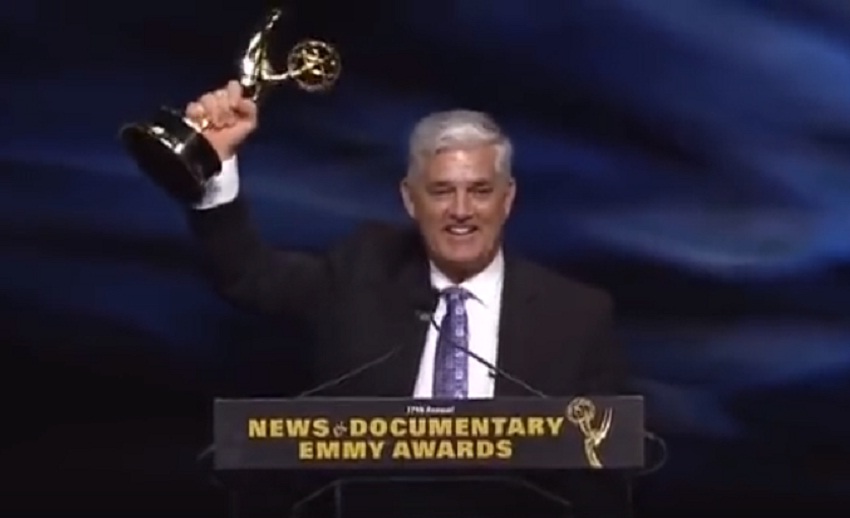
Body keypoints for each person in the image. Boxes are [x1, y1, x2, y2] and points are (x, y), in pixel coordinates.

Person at [182, 80, 632, 517]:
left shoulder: (577, 316)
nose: (460, 211)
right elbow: (249, 274)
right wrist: (214, 165)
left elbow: (603, 481)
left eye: (479, 191)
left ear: (507, 199)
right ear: (410, 200)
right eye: (441, 191)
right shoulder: (360, 274)